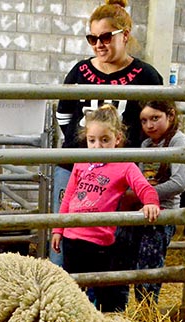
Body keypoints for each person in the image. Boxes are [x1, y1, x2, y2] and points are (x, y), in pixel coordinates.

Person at [52, 0, 163, 267]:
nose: (99, 44)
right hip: (74, 165)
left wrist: (133, 150)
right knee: (65, 231)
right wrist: (81, 141)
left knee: (115, 239)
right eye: (92, 38)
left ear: (124, 36)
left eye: (105, 37)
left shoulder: (146, 76)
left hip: (120, 172)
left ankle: (107, 301)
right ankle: (60, 296)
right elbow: (63, 113)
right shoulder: (80, 71)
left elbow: (155, 118)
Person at [51, 104, 160, 313]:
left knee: (105, 293)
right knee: (74, 291)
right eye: (92, 141)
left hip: (99, 241)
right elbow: (68, 198)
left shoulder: (124, 165)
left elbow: (144, 187)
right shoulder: (81, 162)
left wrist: (151, 203)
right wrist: (58, 229)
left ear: (117, 139)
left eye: (104, 140)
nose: (97, 147)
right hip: (72, 237)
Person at [118, 100, 185, 305]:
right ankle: (120, 309)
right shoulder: (146, 145)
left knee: (150, 263)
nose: (149, 125)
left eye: (155, 118)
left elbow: (179, 183)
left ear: (171, 116)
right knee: (127, 258)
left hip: (162, 213)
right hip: (140, 211)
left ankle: (147, 311)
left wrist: (141, 194)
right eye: (144, 120)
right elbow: (139, 178)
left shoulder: (179, 141)